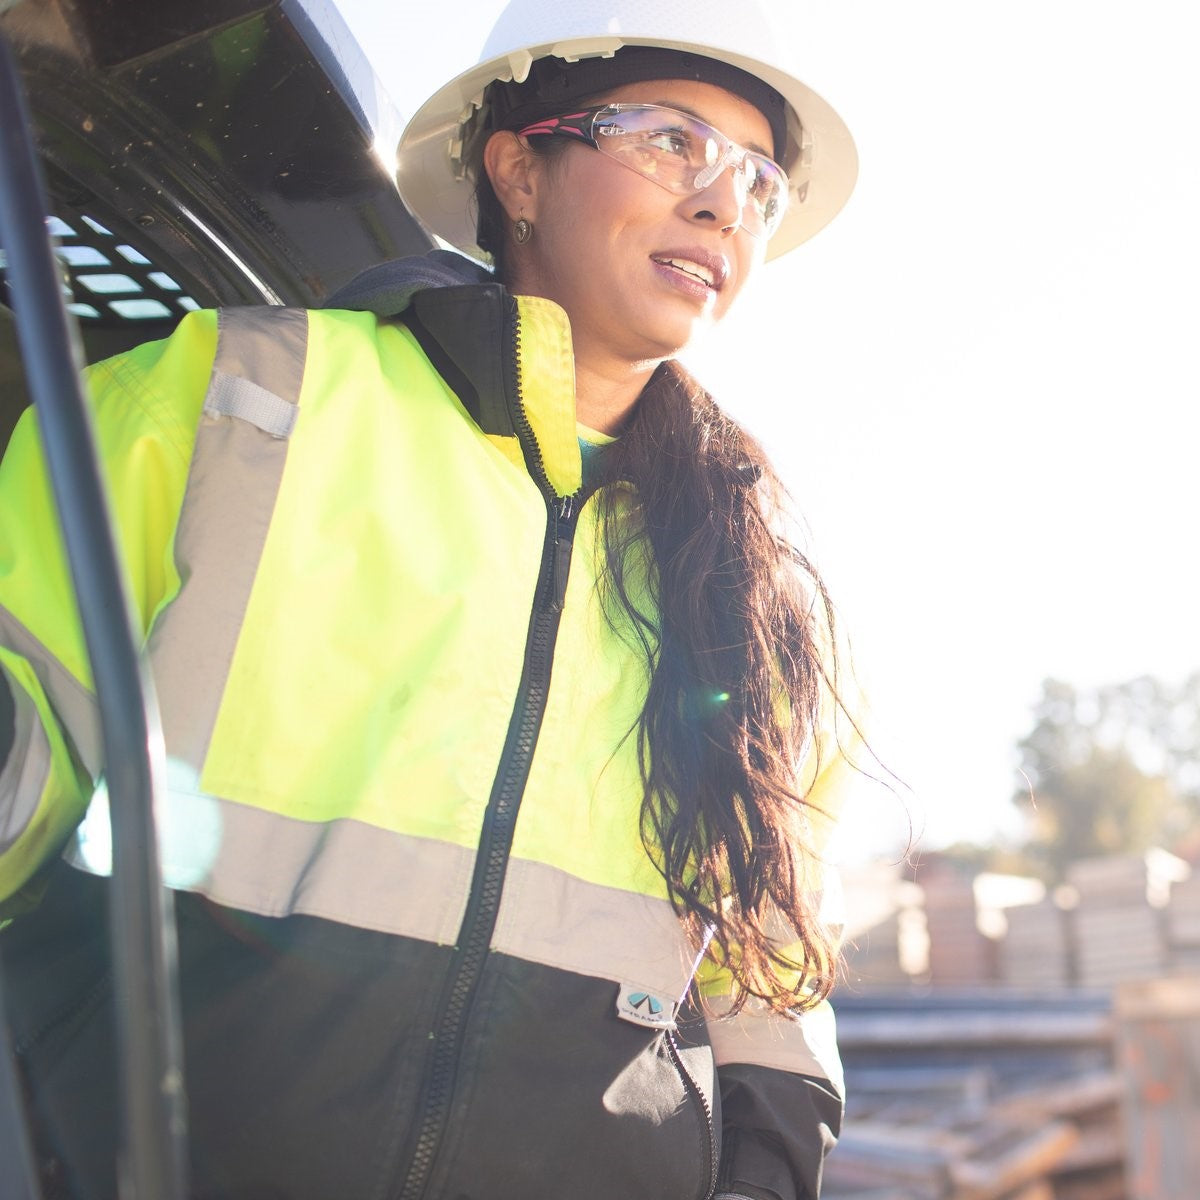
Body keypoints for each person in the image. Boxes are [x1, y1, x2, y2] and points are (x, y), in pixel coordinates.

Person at [0, 1, 862, 1197]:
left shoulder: (760, 590)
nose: (724, 204)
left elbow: (770, 986)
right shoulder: (236, 400)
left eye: (760, 182)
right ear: (518, 167)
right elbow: (24, 754)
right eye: (671, 141)